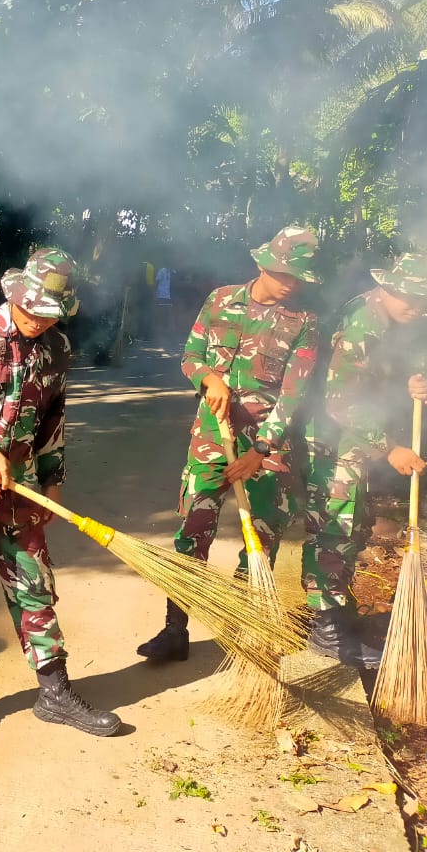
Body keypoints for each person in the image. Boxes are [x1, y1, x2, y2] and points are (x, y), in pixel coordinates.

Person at [0, 248, 120, 746]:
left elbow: (53, 419)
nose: (38, 322)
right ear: (15, 296)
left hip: (21, 490)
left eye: (49, 315)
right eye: (33, 311)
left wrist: (52, 477)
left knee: (35, 585)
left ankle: (54, 692)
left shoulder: (56, 349)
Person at [137, 226, 320, 664]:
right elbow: (191, 356)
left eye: (299, 277)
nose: (291, 283)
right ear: (262, 264)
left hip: (265, 448)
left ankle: (240, 631)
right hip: (210, 441)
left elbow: (296, 395)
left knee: (260, 538)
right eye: (283, 274)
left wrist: (261, 451)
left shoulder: (305, 323)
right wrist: (208, 377)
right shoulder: (221, 300)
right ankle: (174, 629)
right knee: (192, 531)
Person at [300, 254, 427, 668]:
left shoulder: (388, 318)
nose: (416, 307)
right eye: (410, 297)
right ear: (389, 287)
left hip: (352, 436)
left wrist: (412, 386)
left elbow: (372, 378)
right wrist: (390, 447)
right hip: (332, 435)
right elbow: (340, 399)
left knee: (353, 522)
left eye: (423, 299)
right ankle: (327, 631)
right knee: (334, 523)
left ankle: (338, 609)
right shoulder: (365, 322)